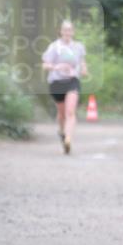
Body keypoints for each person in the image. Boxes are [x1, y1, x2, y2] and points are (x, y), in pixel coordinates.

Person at [42, 20, 88, 154]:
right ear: (61, 32)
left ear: (73, 32)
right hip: (56, 82)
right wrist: (57, 67)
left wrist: (84, 69)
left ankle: (68, 139)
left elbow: (82, 62)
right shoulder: (54, 47)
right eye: (65, 30)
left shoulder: (78, 47)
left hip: (72, 81)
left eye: (70, 30)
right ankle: (62, 132)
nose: (67, 33)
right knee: (62, 114)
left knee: (70, 112)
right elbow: (45, 65)